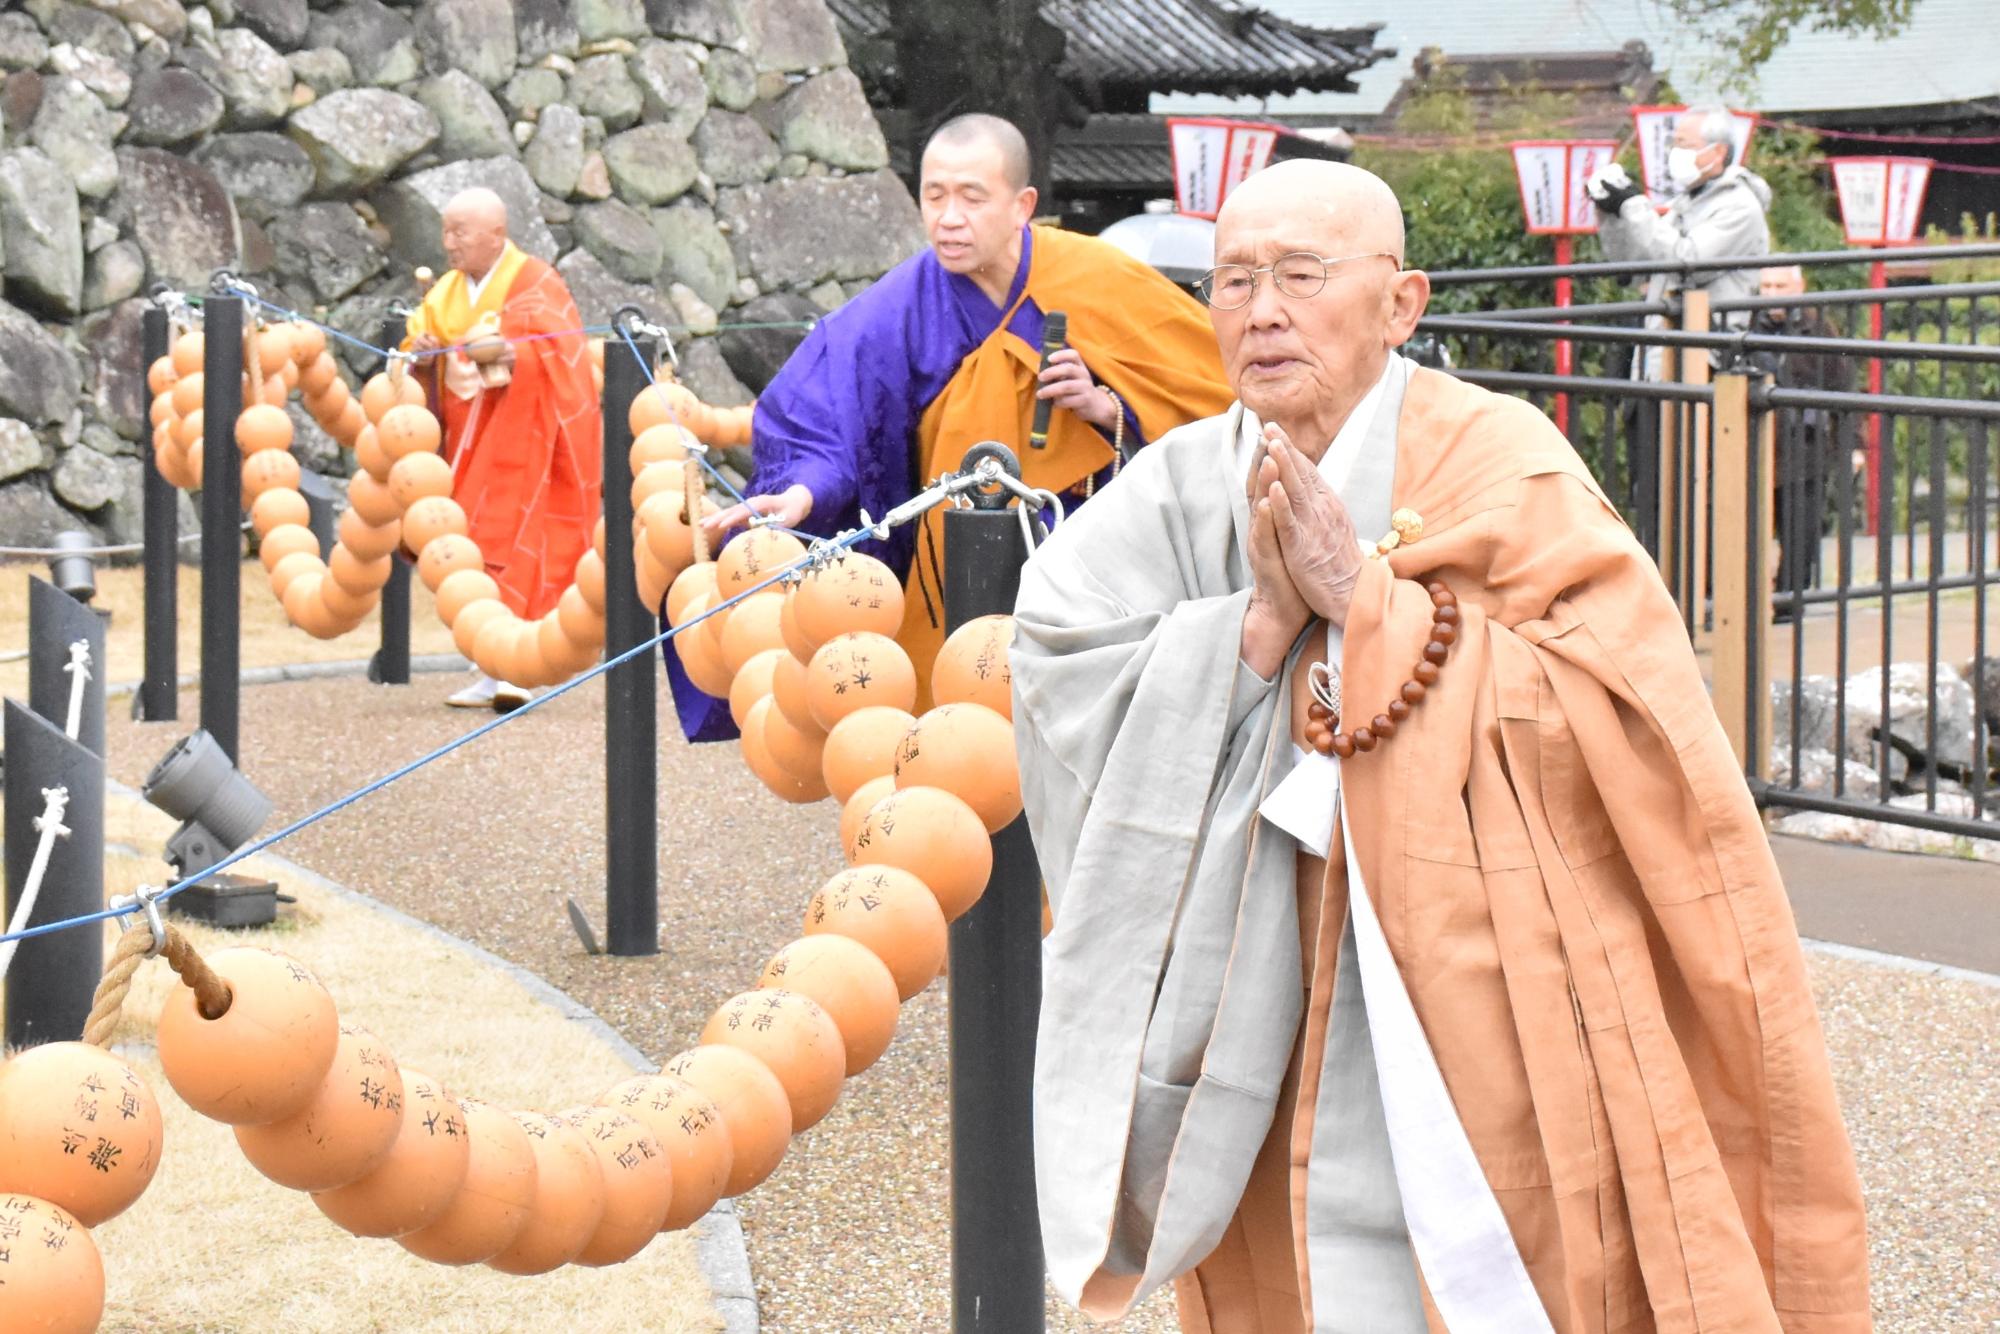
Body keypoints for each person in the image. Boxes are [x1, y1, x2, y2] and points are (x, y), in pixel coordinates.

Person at [1014, 160, 1868, 1332]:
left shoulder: (1498, 461)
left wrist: (1368, 609)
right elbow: (1057, 655)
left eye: (1299, 276)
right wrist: (1256, 632)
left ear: (1400, 303)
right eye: (1233, 281)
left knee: (1496, 1254)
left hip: (1474, 973)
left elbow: (1627, 715)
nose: (1260, 312)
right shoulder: (1180, 482)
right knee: (1295, 1270)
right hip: (1252, 978)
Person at [666, 113, 1232, 739]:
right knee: (963, 733)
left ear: (1022, 206)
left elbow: (1216, 405)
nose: (949, 218)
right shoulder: (900, 306)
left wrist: (1105, 407)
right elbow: (826, 416)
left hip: (1085, 558)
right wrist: (804, 492)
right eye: (934, 196)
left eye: (971, 197)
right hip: (952, 563)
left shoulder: (1099, 279)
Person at [405, 188, 602, 711]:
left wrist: (510, 354)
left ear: (496, 234)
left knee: (525, 542)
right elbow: (419, 359)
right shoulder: (444, 294)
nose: (450, 243)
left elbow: (564, 351)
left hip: (531, 435)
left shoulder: (537, 282)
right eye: (446, 231)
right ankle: (487, 665)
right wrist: (425, 358)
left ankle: (521, 667)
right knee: (473, 541)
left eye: (461, 232)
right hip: (469, 440)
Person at [1588, 106, 1773, 378]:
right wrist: (1613, 213)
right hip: (1663, 345)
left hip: (1708, 354)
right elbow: (1633, 266)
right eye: (1674, 143)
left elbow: (1686, 262)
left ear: (1718, 151)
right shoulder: (1686, 201)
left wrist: (1635, 205)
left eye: (1684, 144)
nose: (1675, 152)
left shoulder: (1740, 207)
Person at [1753, 265, 1855, 616]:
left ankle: (1789, 604)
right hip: (1758, 444)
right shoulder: (1747, 323)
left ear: (1798, 286)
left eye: (1780, 285)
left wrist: (1851, 446)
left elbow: (1844, 388)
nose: (1771, 293)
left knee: (1801, 532)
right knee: (1749, 528)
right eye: (1766, 285)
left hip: (1805, 445)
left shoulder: (1820, 327)